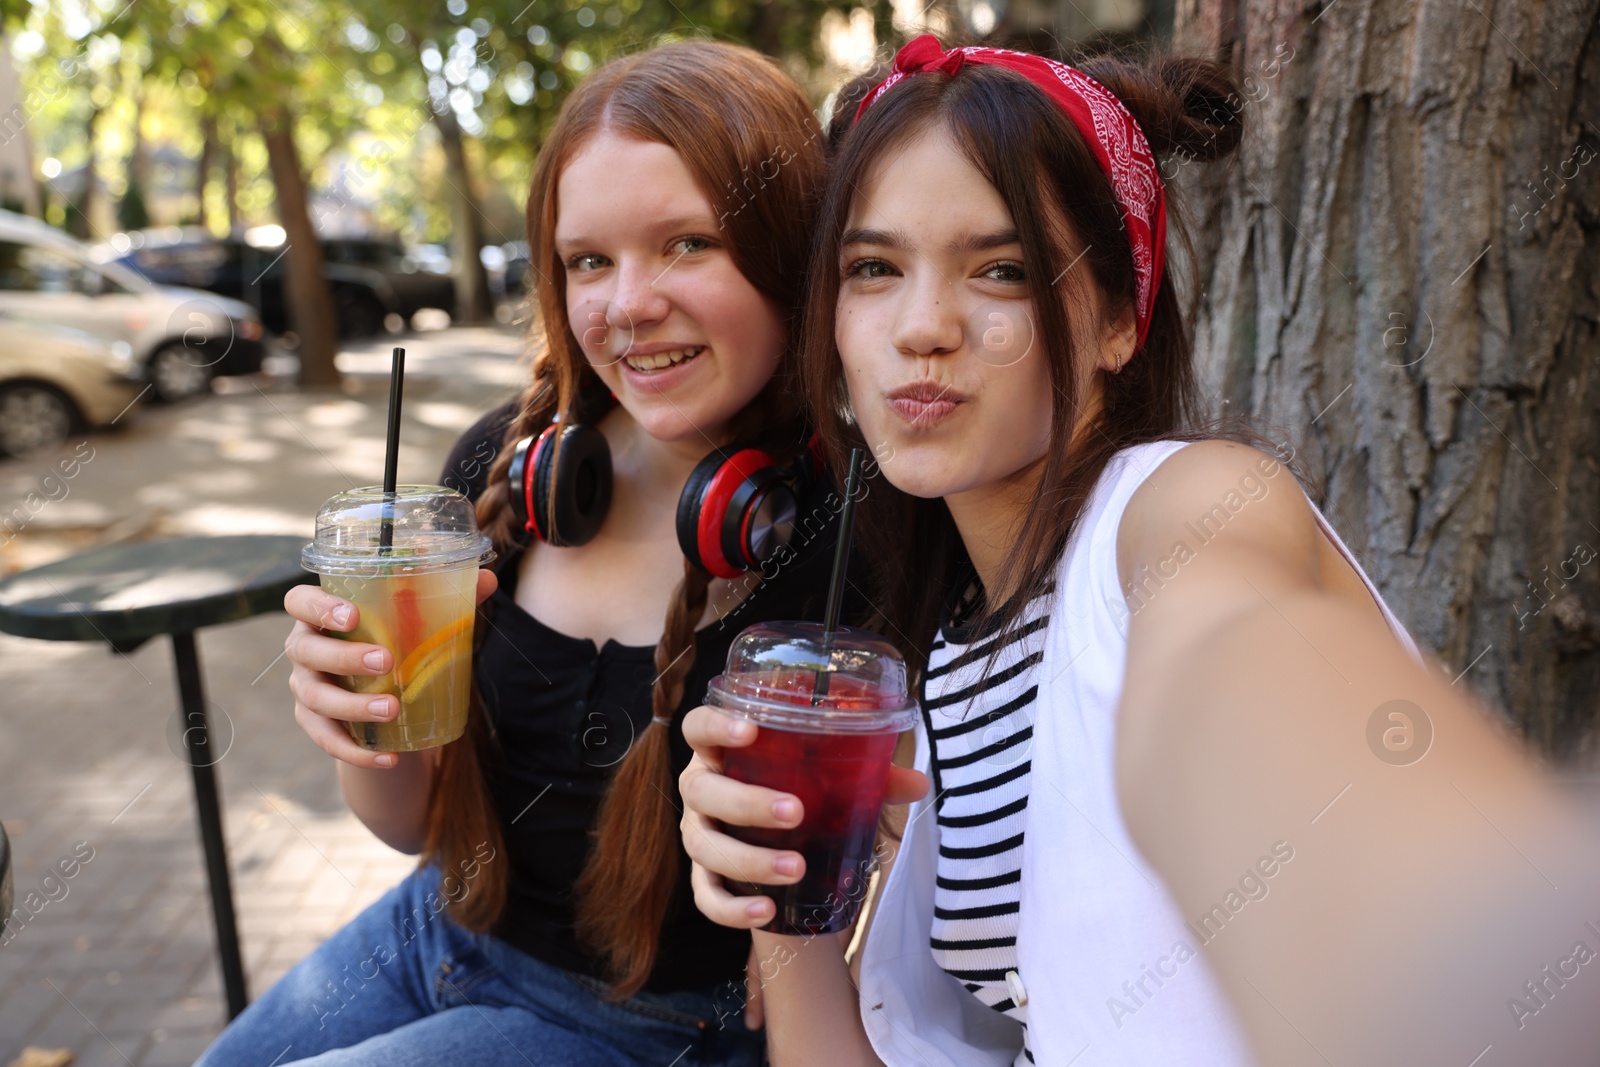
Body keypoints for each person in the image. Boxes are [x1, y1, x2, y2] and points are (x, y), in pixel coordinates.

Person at [678, 34, 1600, 1067]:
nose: (922, 325)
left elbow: (1233, 656)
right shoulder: (942, 660)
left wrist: (1455, 934)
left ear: (1119, 317)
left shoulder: (1179, 508)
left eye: (1003, 269)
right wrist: (778, 903)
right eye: (873, 267)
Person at [197, 40, 843, 1067]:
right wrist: (363, 732)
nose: (626, 303)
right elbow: (412, 828)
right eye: (589, 259)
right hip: (439, 927)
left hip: (654, 1026)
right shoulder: (506, 459)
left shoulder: (848, 532)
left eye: (685, 244)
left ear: (791, 249)